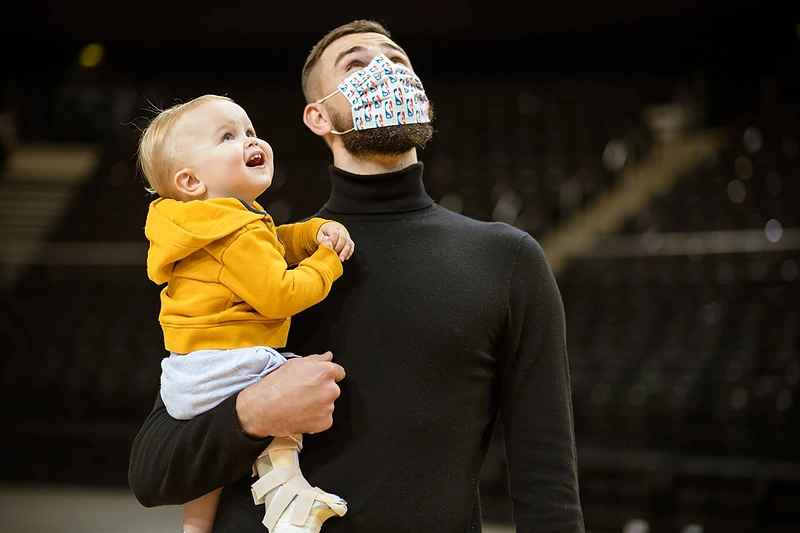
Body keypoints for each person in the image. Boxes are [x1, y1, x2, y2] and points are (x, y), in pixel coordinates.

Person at [129, 19, 585, 532]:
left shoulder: (507, 258)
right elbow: (150, 471)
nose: (385, 71)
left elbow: (547, 478)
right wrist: (250, 414)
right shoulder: (258, 253)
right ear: (318, 116)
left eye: (398, 60)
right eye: (356, 64)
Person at [137, 94, 353, 533]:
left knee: (208, 479)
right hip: (231, 362)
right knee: (299, 382)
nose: (251, 141)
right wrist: (327, 261)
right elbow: (280, 294)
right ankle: (288, 502)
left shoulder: (207, 225)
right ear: (191, 181)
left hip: (189, 370)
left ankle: (195, 527)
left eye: (250, 131)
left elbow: (274, 244)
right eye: (227, 137)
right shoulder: (236, 233)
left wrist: (312, 233)